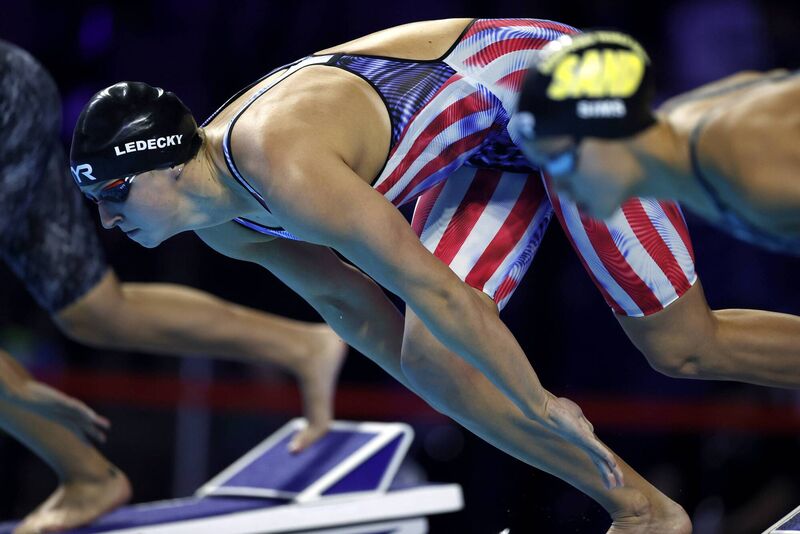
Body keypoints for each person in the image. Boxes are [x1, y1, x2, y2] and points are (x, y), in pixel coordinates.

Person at [68, 17, 798, 532]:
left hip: (541, 87)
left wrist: (536, 402)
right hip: (483, 151)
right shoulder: (223, 222)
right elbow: (354, 309)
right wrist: (466, 387)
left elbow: (438, 290)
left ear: (160, 164)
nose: (107, 222)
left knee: (681, 346)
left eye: (112, 195)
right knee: (434, 361)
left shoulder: (279, 163)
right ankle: (645, 513)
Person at [0, 39, 346, 534]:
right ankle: (302, 344)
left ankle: (88, 476)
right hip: (17, 86)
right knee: (92, 309)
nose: (108, 221)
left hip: (7, 100)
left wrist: (15, 389)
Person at [512, 30, 800, 255]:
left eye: (558, 160)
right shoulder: (683, 145)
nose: (558, 186)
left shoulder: (739, 155)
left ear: (608, 125)